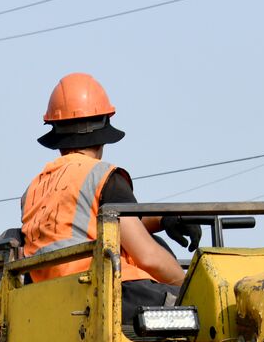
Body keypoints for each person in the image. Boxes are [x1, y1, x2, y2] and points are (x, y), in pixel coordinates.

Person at [21, 72, 197, 325]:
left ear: (56, 136)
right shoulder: (103, 176)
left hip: (52, 301)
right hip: (107, 293)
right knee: (193, 305)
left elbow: (89, 227)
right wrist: (190, 286)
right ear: (104, 131)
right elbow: (147, 256)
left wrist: (163, 219)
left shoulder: (35, 188)